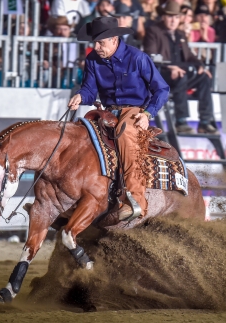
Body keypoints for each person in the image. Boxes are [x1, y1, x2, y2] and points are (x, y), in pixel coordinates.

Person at [69, 16, 170, 221]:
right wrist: (81, 96)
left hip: (133, 111)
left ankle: (135, 201)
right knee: (80, 134)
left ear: (114, 40)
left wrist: (147, 114)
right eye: (94, 42)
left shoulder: (138, 58)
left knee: (126, 138)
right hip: (106, 111)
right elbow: (90, 89)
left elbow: (161, 89)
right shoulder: (92, 60)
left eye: (101, 42)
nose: (96, 47)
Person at [143, 2, 217, 134]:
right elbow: (151, 57)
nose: (173, 20)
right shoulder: (154, 31)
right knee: (180, 78)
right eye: (170, 16)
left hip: (181, 72)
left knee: (204, 77)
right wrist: (170, 67)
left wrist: (200, 66)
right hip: (161, 73)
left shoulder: (180, 34)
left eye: (176, 17)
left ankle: (205, 122)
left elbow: (189, 55)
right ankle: (181, 121)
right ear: (164, 17)